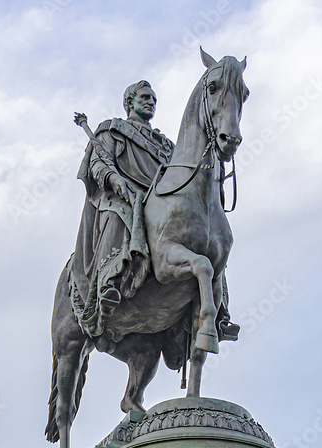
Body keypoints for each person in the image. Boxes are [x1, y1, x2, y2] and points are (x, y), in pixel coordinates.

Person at [70, 80, 236, 351]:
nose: (150, 102)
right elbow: (99, 162)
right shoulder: (112, 130)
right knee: (121, 215)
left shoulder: (166, 145)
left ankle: (219, 313)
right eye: (144, 97)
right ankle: (109, 284)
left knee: (210, 242)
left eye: (153, 99)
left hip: (162, 199)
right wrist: (113, 179)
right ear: (130, 103)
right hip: (128, 194)